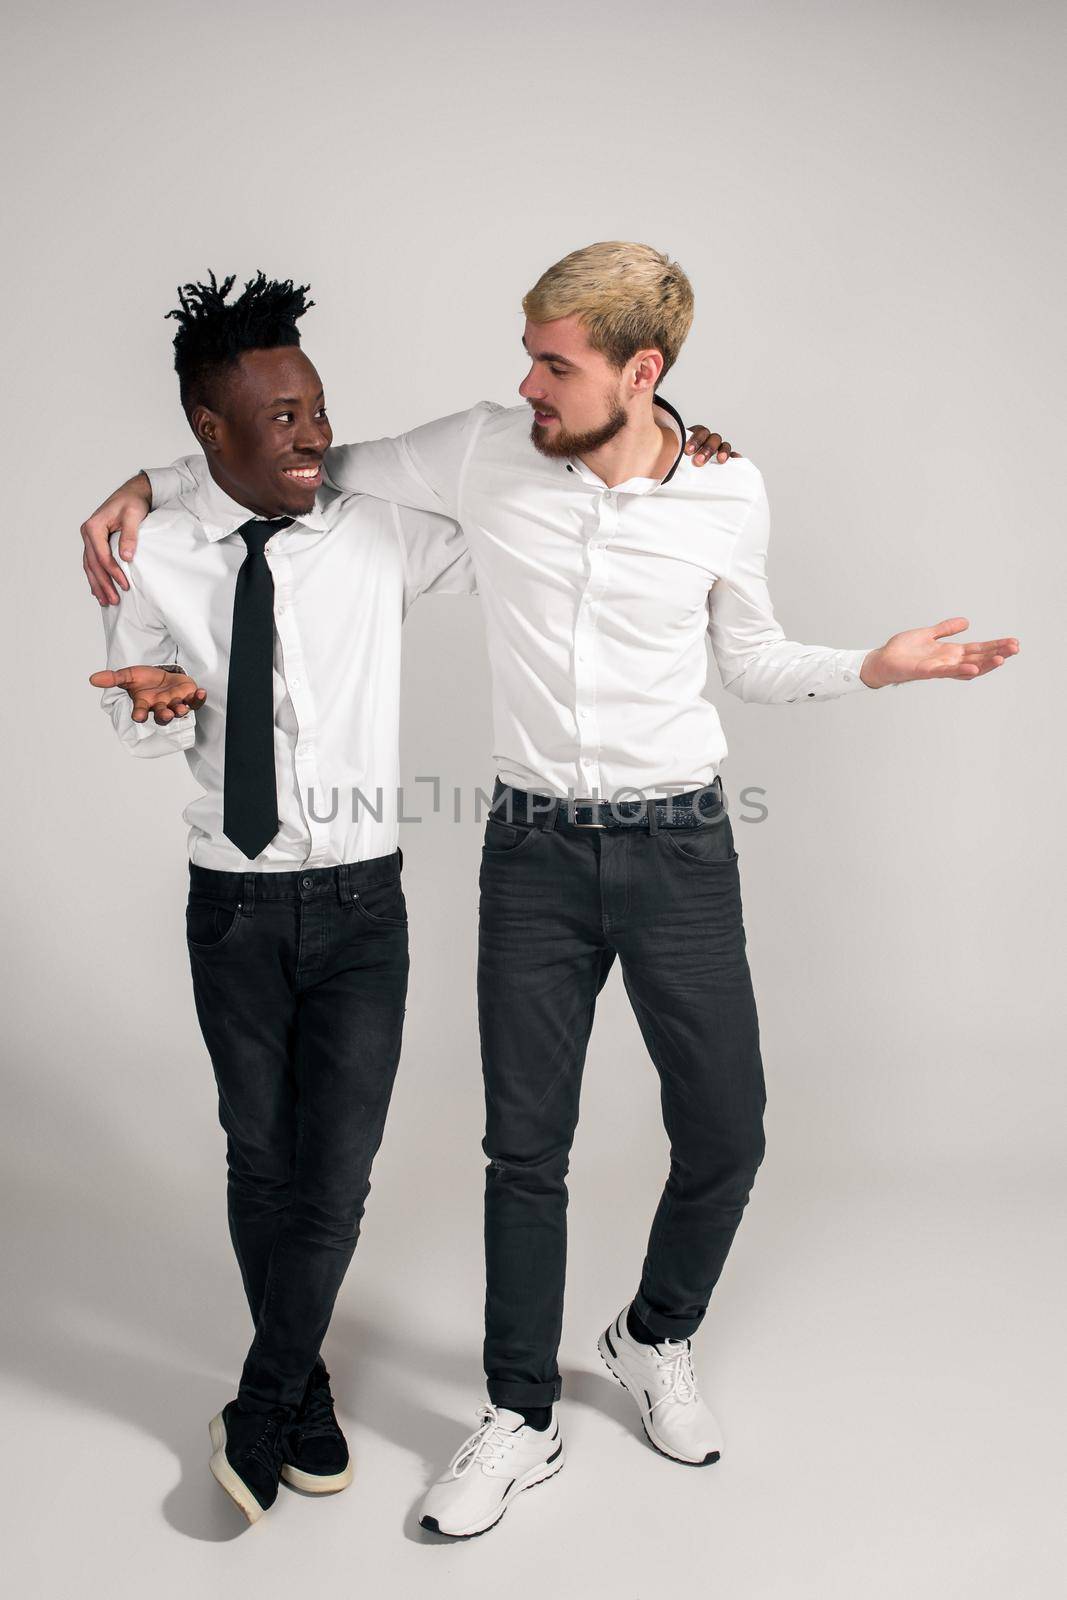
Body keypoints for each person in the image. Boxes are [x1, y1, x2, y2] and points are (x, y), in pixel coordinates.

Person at [82, 242, 1018, 1541]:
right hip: (416, 867)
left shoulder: (700, 491)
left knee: (707, 1130)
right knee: (410, 1153)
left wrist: (868, 664)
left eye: (551, 360)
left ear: (638, 376)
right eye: (526, 354)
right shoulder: (456, 462)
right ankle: (481, 1414)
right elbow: (291, 471)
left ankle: (633, 1339)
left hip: (626, 849)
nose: (521, 380)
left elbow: (730, 648)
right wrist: (148, 498)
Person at [87, 271, 477, 1523]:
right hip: (234, 904)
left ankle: (259, 1402)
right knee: (259, 1157)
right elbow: (135, 704)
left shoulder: (375, 528)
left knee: (337, 1172)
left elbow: (517, 499)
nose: (312, 434)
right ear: (212, 430)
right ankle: (301, 1381)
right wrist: (154, 705)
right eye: (281, 418)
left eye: (316, 408)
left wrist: (670, 438)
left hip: (364, 903)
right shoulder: (144, 548)